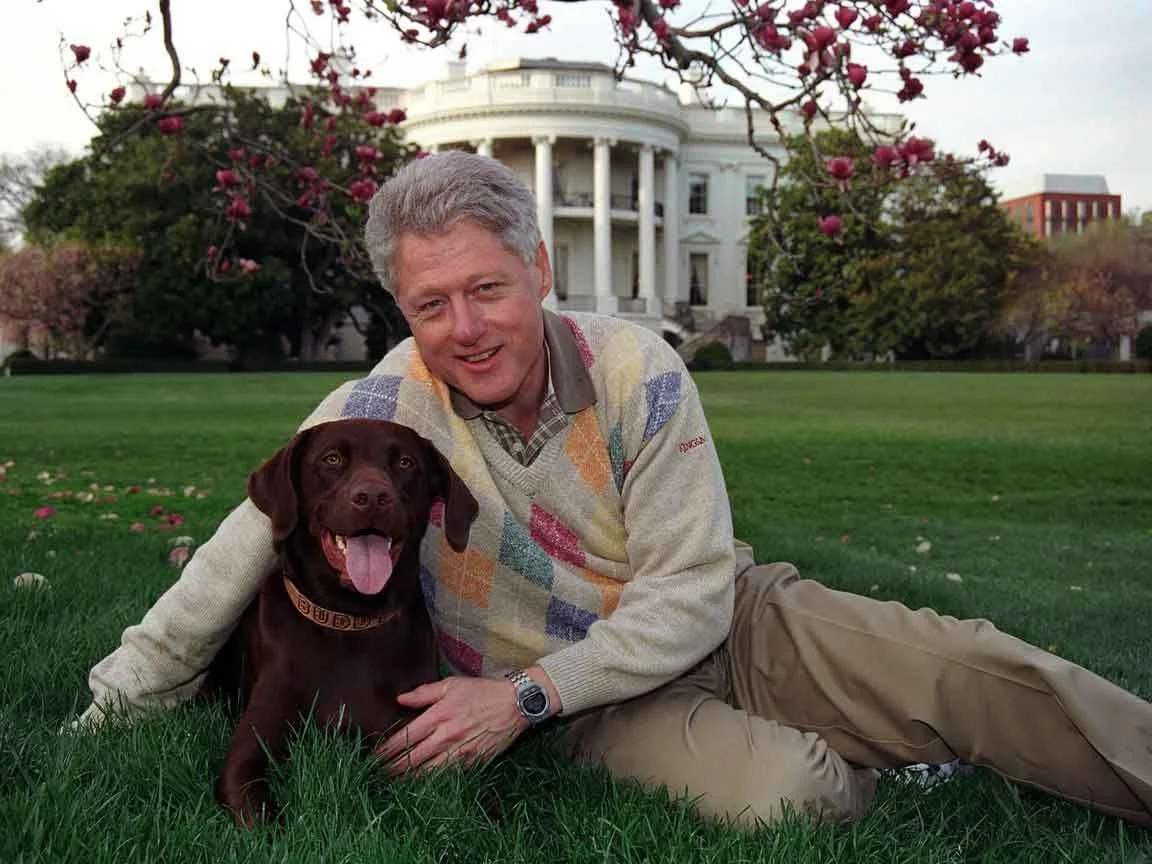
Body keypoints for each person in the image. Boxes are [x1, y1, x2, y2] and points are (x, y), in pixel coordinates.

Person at [78, 150, 1152, 829]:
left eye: (488, 288)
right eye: (432, 305)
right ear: (404, 310)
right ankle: (892, 758)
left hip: (732, 621)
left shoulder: (639, 368)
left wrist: (520, 698)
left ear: (540, 271)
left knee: (971, 670)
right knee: (796, 796)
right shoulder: (383, 411)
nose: (466, 329)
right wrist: (111, 708)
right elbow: (228, 566)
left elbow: (689, 594)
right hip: (584, 698)